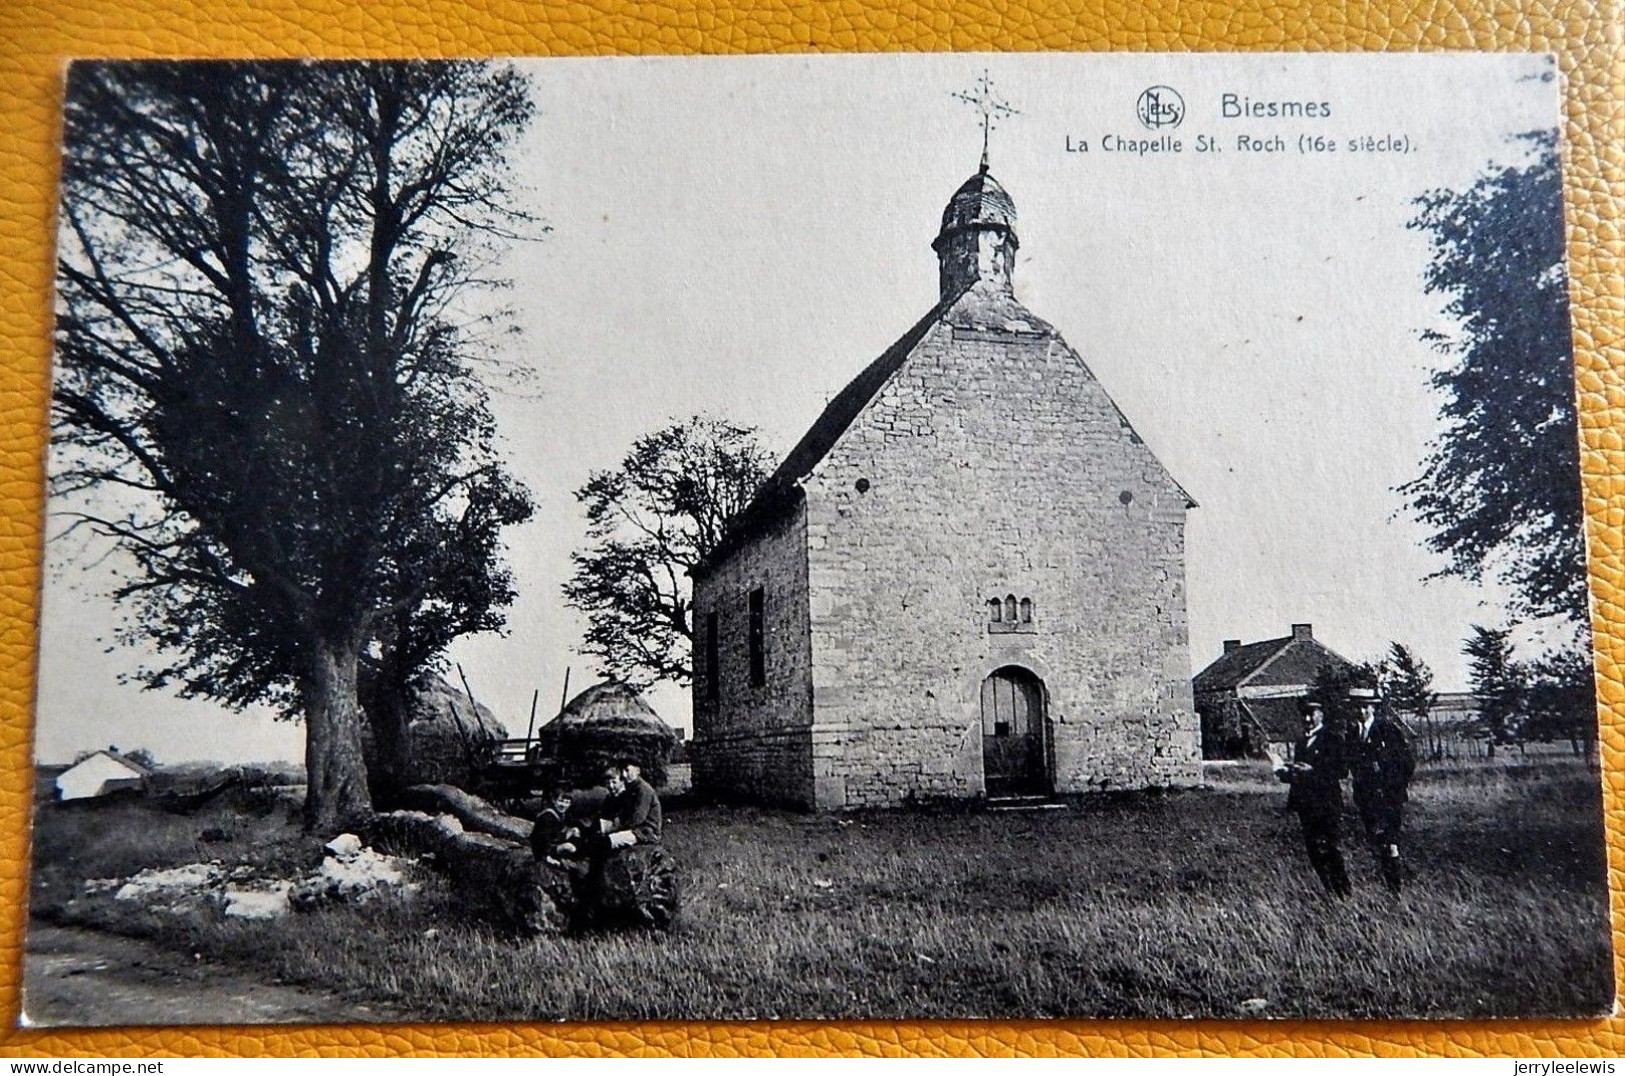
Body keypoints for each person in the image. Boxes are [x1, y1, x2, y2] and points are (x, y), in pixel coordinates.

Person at [1276, 697, 1351, 899]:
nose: (1308, 719)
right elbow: (1300, 774)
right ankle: (1330, 892)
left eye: (1312, 714)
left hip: (1327, 803)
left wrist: (1313, 771)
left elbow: (1341, 770)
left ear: (1321, 715)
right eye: (1305, 715)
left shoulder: (1332, 739)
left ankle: (1343, 891)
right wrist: (1287, 774)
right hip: (1306, 805)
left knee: (1330, 848)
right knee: (1314, 852)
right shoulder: (1301, 742)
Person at [1347, 686, 1416, 894]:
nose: (1360, 712)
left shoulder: (1387, 730)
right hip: (1366, 798)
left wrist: (1387, 781)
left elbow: (1406, 763)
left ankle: (1395, 890)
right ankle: (1390, 883)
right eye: (1356, 708)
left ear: (1372, 708)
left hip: (1387, 798)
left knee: (1389, 843)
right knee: (1377, 843)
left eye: (1364, 707)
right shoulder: (1353, 733)